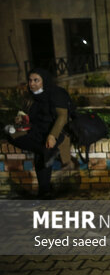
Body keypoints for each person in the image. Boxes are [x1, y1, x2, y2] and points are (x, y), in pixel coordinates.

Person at [4, 69, 72, 198]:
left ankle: (44, 191)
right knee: (10, 132)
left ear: (44, 81)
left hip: (54, 131)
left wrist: (53, 136)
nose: (32, 83)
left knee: (43, 153)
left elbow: (62, 117)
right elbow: (27, 114)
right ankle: (45, 153)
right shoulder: (31, 96)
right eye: (30, 80)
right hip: (35, 131)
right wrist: (20, 119)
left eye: (36, 80)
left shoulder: (56, 94)